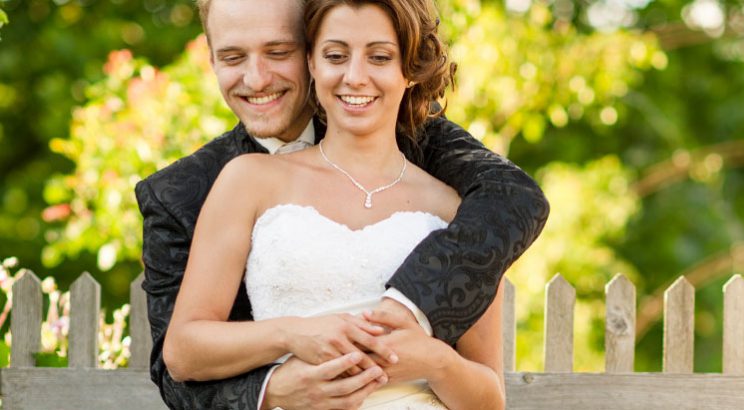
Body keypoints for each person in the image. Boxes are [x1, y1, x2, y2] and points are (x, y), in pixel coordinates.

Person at [134, 0, 548, 409]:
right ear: (318, 60)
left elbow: (514, 198)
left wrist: (430, 348)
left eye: (278, 52)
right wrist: (279, 380)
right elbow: (178, 364)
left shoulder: (455, 197)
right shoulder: (213, 186)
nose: (257, 78)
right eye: (233, 56)